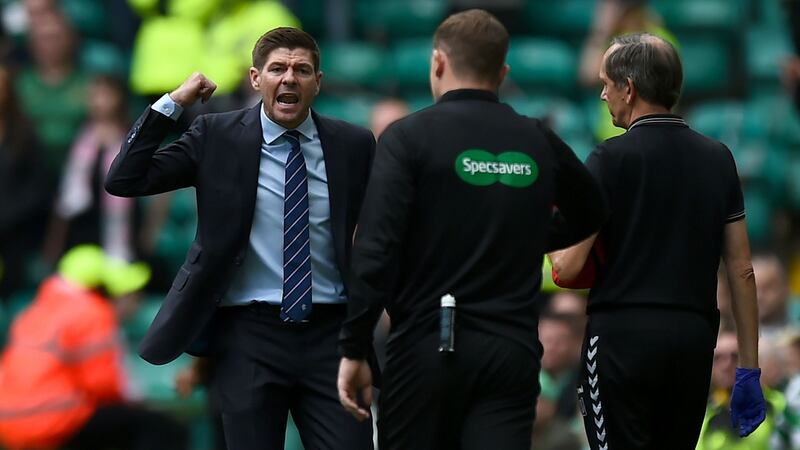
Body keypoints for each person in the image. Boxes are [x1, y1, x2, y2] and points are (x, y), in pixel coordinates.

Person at [336, 9, 607, 450]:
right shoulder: (536, 138)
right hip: (511, 351)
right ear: (502, 72)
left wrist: (355, 347)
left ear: (438, 63)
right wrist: (528, 238)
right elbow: (593, 208)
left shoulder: (407, 138)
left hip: (424, 346)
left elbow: (374, 249)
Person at [104, 27, 375, 450]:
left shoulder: (354, 144)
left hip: (331, 335)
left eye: (302, 70)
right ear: (255, 79)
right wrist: (173, 103)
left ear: (317, 83)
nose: (289, 78)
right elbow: (124, 179)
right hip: (249, 335)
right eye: (277, 69)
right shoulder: (216, 136)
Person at [549, 33, 766, 449]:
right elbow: (742, 269)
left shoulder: (609, 159)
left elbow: (568, 268)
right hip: (692, 340)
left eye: (607, 84)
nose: (601, 94)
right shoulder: (718, 158)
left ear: (628, 88)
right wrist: (748, 369)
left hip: (621, 340)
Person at [0, 244, 189, 450]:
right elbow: (105, 385)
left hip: (9, 421)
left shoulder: (34, 310)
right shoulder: (92, 312)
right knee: (162, 428)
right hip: (50, 421)